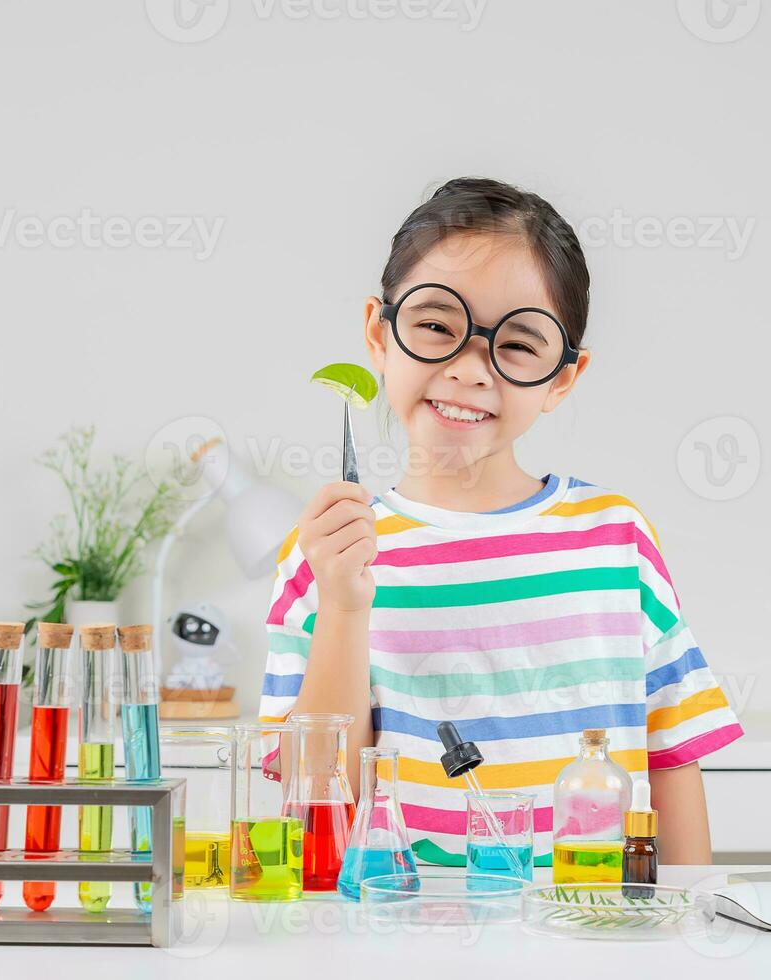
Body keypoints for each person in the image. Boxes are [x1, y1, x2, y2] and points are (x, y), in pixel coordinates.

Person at [262, 177, 743, 867]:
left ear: (562, 379)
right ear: (379, 333)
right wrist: (342, 607)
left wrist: (689, 926)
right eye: (435, 326)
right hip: (397, 939)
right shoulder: (329, 550)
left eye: (516, 345)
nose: (468, 369)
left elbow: (671, 759)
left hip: (590, 934)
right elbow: (313, 797)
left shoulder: (613, 538)